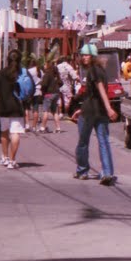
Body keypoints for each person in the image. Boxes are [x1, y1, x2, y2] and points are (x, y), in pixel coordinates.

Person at [72, 44, 119, 185]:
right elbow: (91, 95)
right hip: (97, 112)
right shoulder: (101, 71)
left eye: (87, 55)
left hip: (91, 113)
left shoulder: (93, 71)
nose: (84, 58)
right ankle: (107, 172)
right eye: (83, 55)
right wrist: (81, 109)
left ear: (93, 57)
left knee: (83, 143)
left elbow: (101, 91)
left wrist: (109, 108)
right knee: (103, 141)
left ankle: (82, 170)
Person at [0, 50, 25, 169]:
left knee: (4, 132)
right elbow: (28, 90)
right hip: (17, 107)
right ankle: (12, 161)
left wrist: (1, 100)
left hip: (3, 107)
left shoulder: (0, 73)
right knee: (15, 133)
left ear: (7, 59)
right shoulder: (21, 73)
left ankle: (5, 158)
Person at [40, 59, 63, 133]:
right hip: (56, 93)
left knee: (45, 111)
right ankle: (58, 128)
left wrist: (42, 89)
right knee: (54, 111)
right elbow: (61, 83)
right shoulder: (56, 75)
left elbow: (44, 84)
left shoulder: (47, 74)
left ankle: (42, 128)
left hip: (48, 93)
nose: (44, 66)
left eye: (45, 64)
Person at [24, 57, 44, 132]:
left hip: (29, 91)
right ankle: (34, 126)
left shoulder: (29, 71)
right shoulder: (41, 71)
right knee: (36, 110)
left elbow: (25, 80)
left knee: (27, 108)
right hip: (38, 91)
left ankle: (27, 125)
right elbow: (43, 81)